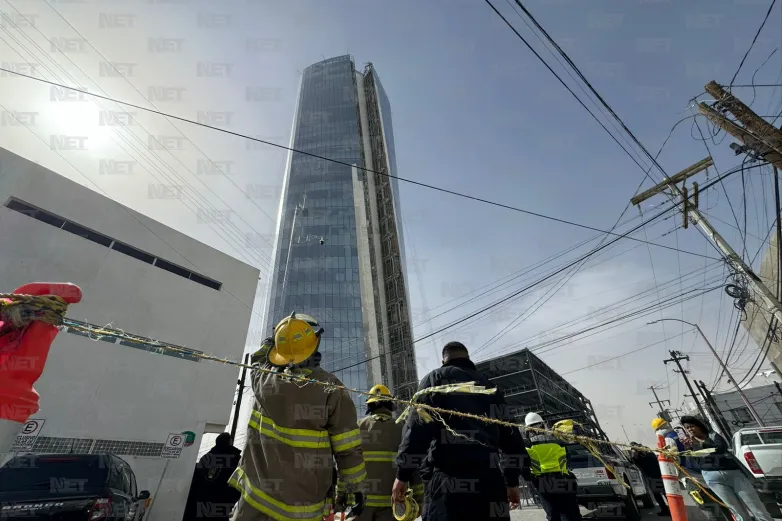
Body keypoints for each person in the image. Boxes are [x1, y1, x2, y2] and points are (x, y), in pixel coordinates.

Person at [228, 312, 366, 521]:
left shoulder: (263, 378)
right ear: (316, 342)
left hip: (254, 499)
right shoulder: (330, 388)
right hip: (302, 506)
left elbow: (257, 359)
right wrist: (352, 490)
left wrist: (272, 341)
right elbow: (347, 448)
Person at [392, 341, 526, 521]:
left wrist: (403, 475)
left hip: (449, 485)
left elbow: (417, 431)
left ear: (443, 361)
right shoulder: (490, 388)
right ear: (468, 359)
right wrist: (512, 481)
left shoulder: (434, 381)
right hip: (490, 483)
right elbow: (512, 438)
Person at [340, 384, 424, 521]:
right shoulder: (402, 429)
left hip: (359, 505)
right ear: (390, 405)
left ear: (370, 406)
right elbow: (412, 467)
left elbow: (346, 465)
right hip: (392, 506)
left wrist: (340, 494)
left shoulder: (357, 427)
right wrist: (419, 499)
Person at [680, 415, 774, 521]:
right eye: (687, 428)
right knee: (737, 511)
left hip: (733, 475)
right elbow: (695, 462)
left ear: (699, 426)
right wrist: (689, 448)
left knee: (756, 507)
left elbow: (720, 448)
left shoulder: (712, 435)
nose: (690, 430)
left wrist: (700, 444)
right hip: (713, 478)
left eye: (692, 426)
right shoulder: (690, 443)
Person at [522, 413, 582, 521]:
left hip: (543, 484)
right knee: (571, 515)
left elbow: (524, 465)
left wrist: (529, 478)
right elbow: (568, 458)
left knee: (553, 516)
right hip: (564, 480)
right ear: (542, 425)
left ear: (527, 429)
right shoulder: (557, 439)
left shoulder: (526, 445)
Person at [182, 433, 242, 521]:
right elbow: (237, 484)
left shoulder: (205, 458)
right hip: (219, 508)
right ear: (230, 442)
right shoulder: (235, 460)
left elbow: (195, 481)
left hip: (199, 507)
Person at [628, 442, 670, 517]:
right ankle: (669, 509)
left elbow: (636, 462)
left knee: (659, 495)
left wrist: (636, 455)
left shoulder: (643, 455)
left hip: (654, 476)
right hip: (658, 475)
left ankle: (666, 510)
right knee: (663, 494)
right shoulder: (647, 453)